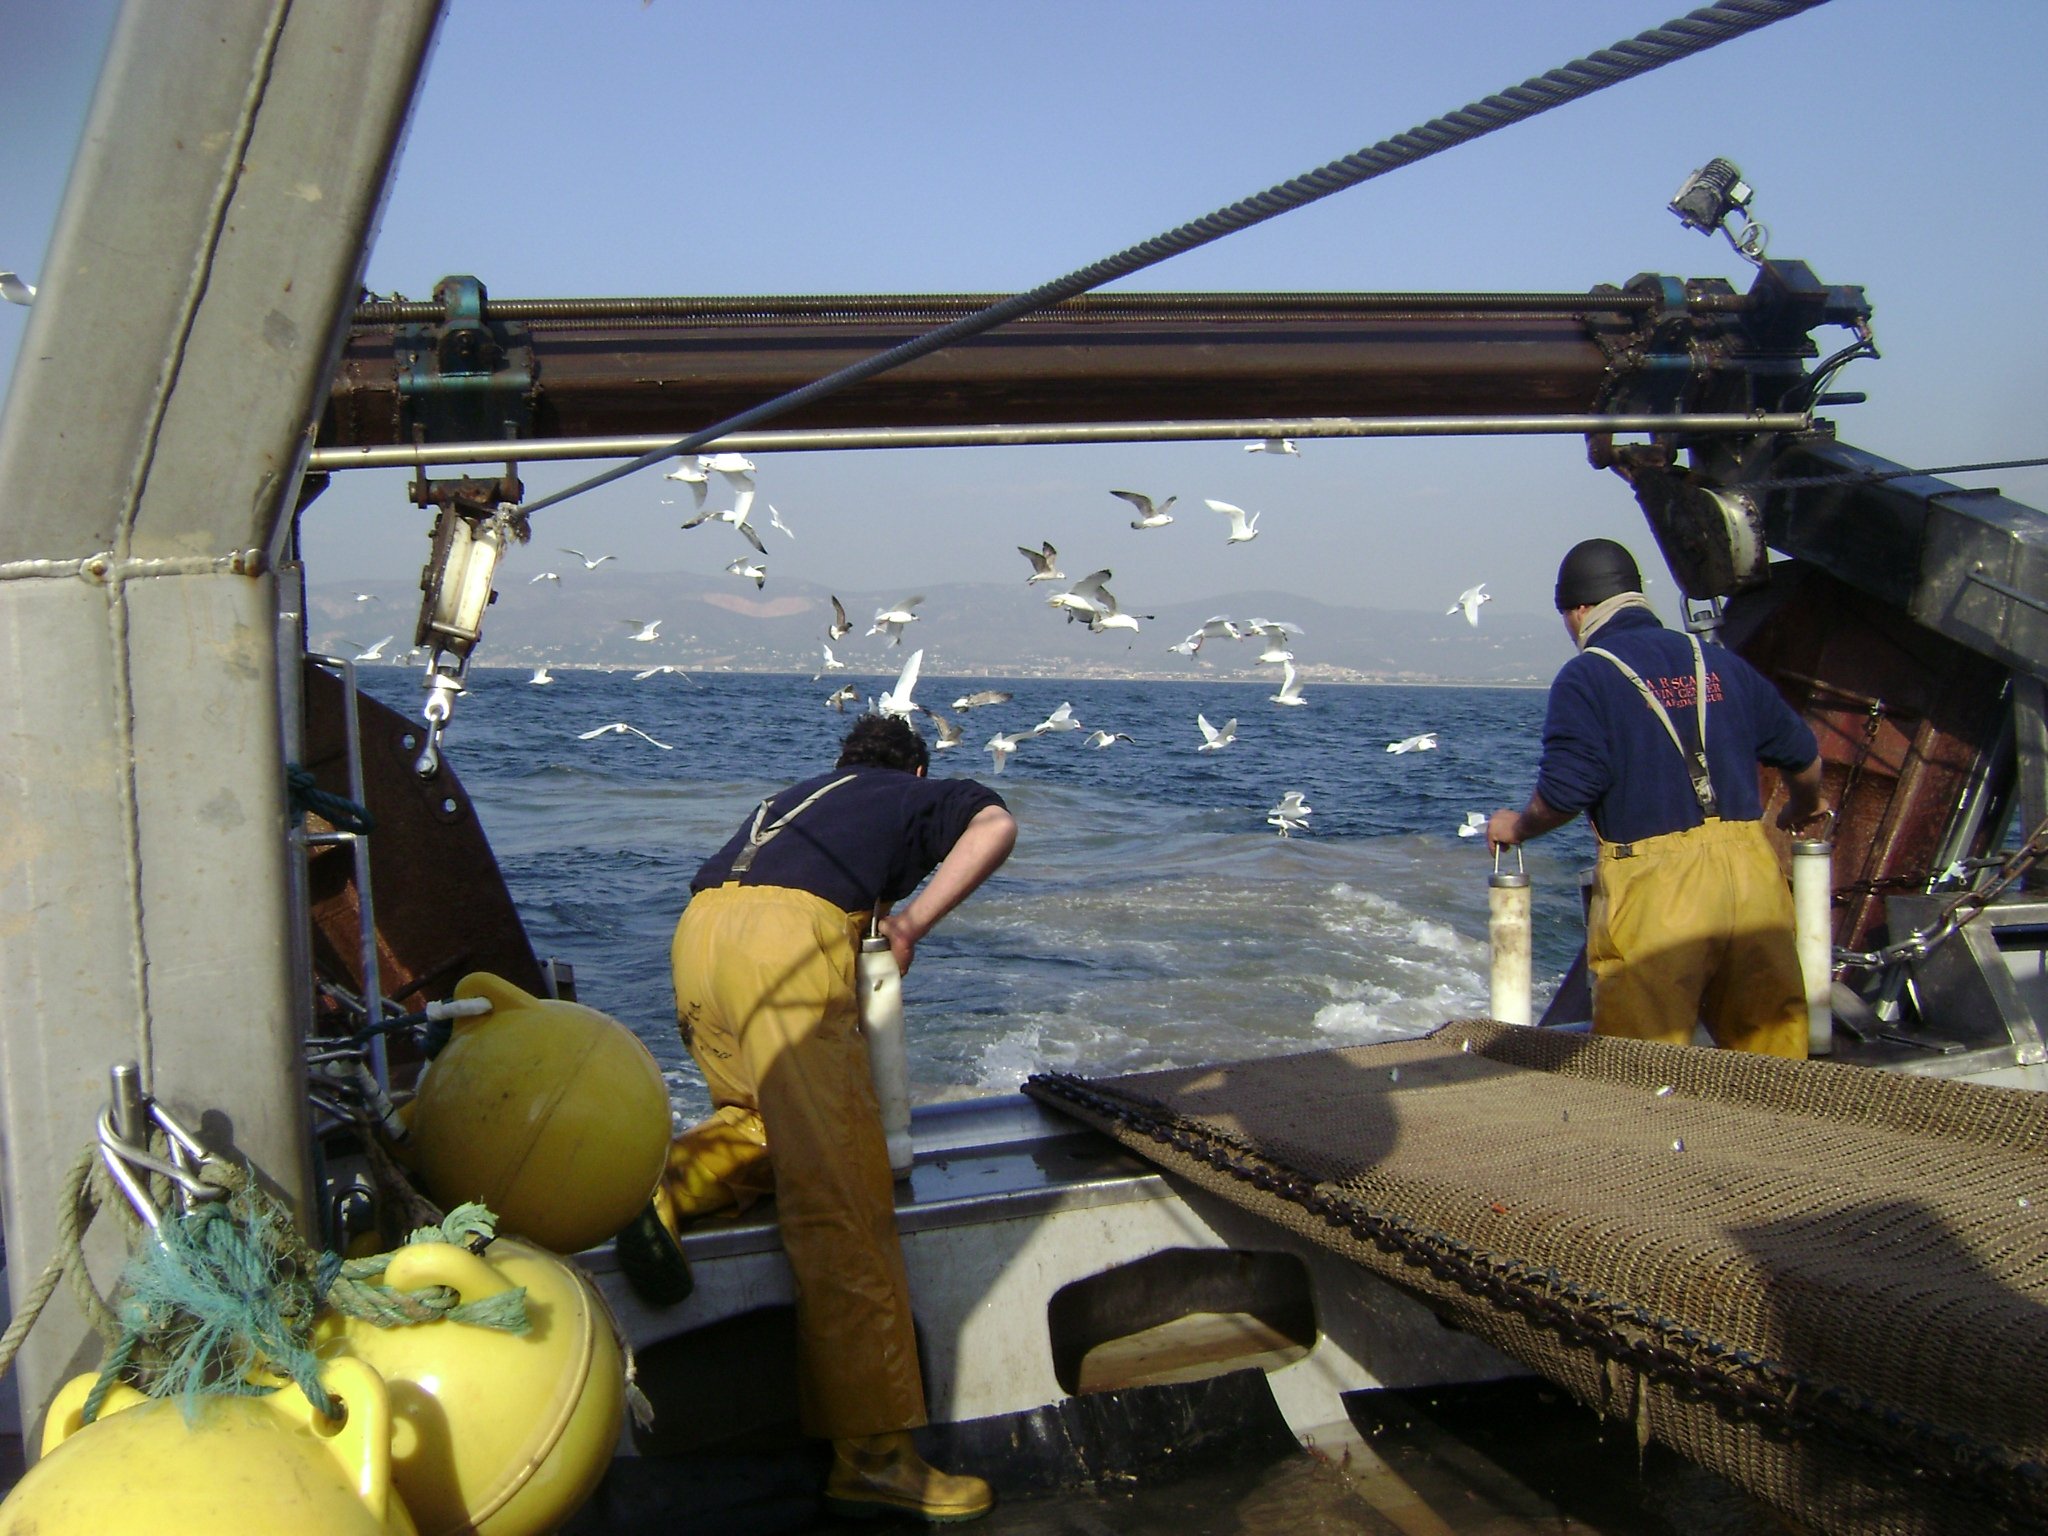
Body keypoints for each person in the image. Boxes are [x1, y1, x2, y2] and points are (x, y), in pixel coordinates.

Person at [651, 713, 1015, 1522]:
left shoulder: (792, 800)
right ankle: (875, 1455)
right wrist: (913, 921)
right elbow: (996, 826)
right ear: (916, 771)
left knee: (763, 1119)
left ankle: (668, 1184)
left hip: (698, 934)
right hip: (786, 942)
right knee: (843, 1197)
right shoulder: (917, 794)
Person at [1487, 538, 1826, 1056]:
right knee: (1775, 1058)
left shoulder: (1587, 676)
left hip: (1659, 892)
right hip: (1754, 877)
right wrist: (1804, 807)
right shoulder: (1717, 662)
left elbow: (1567, 791)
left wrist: (1517, 827)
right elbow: (1803, 755)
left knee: (1643, 1068)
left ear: (1579, 610)